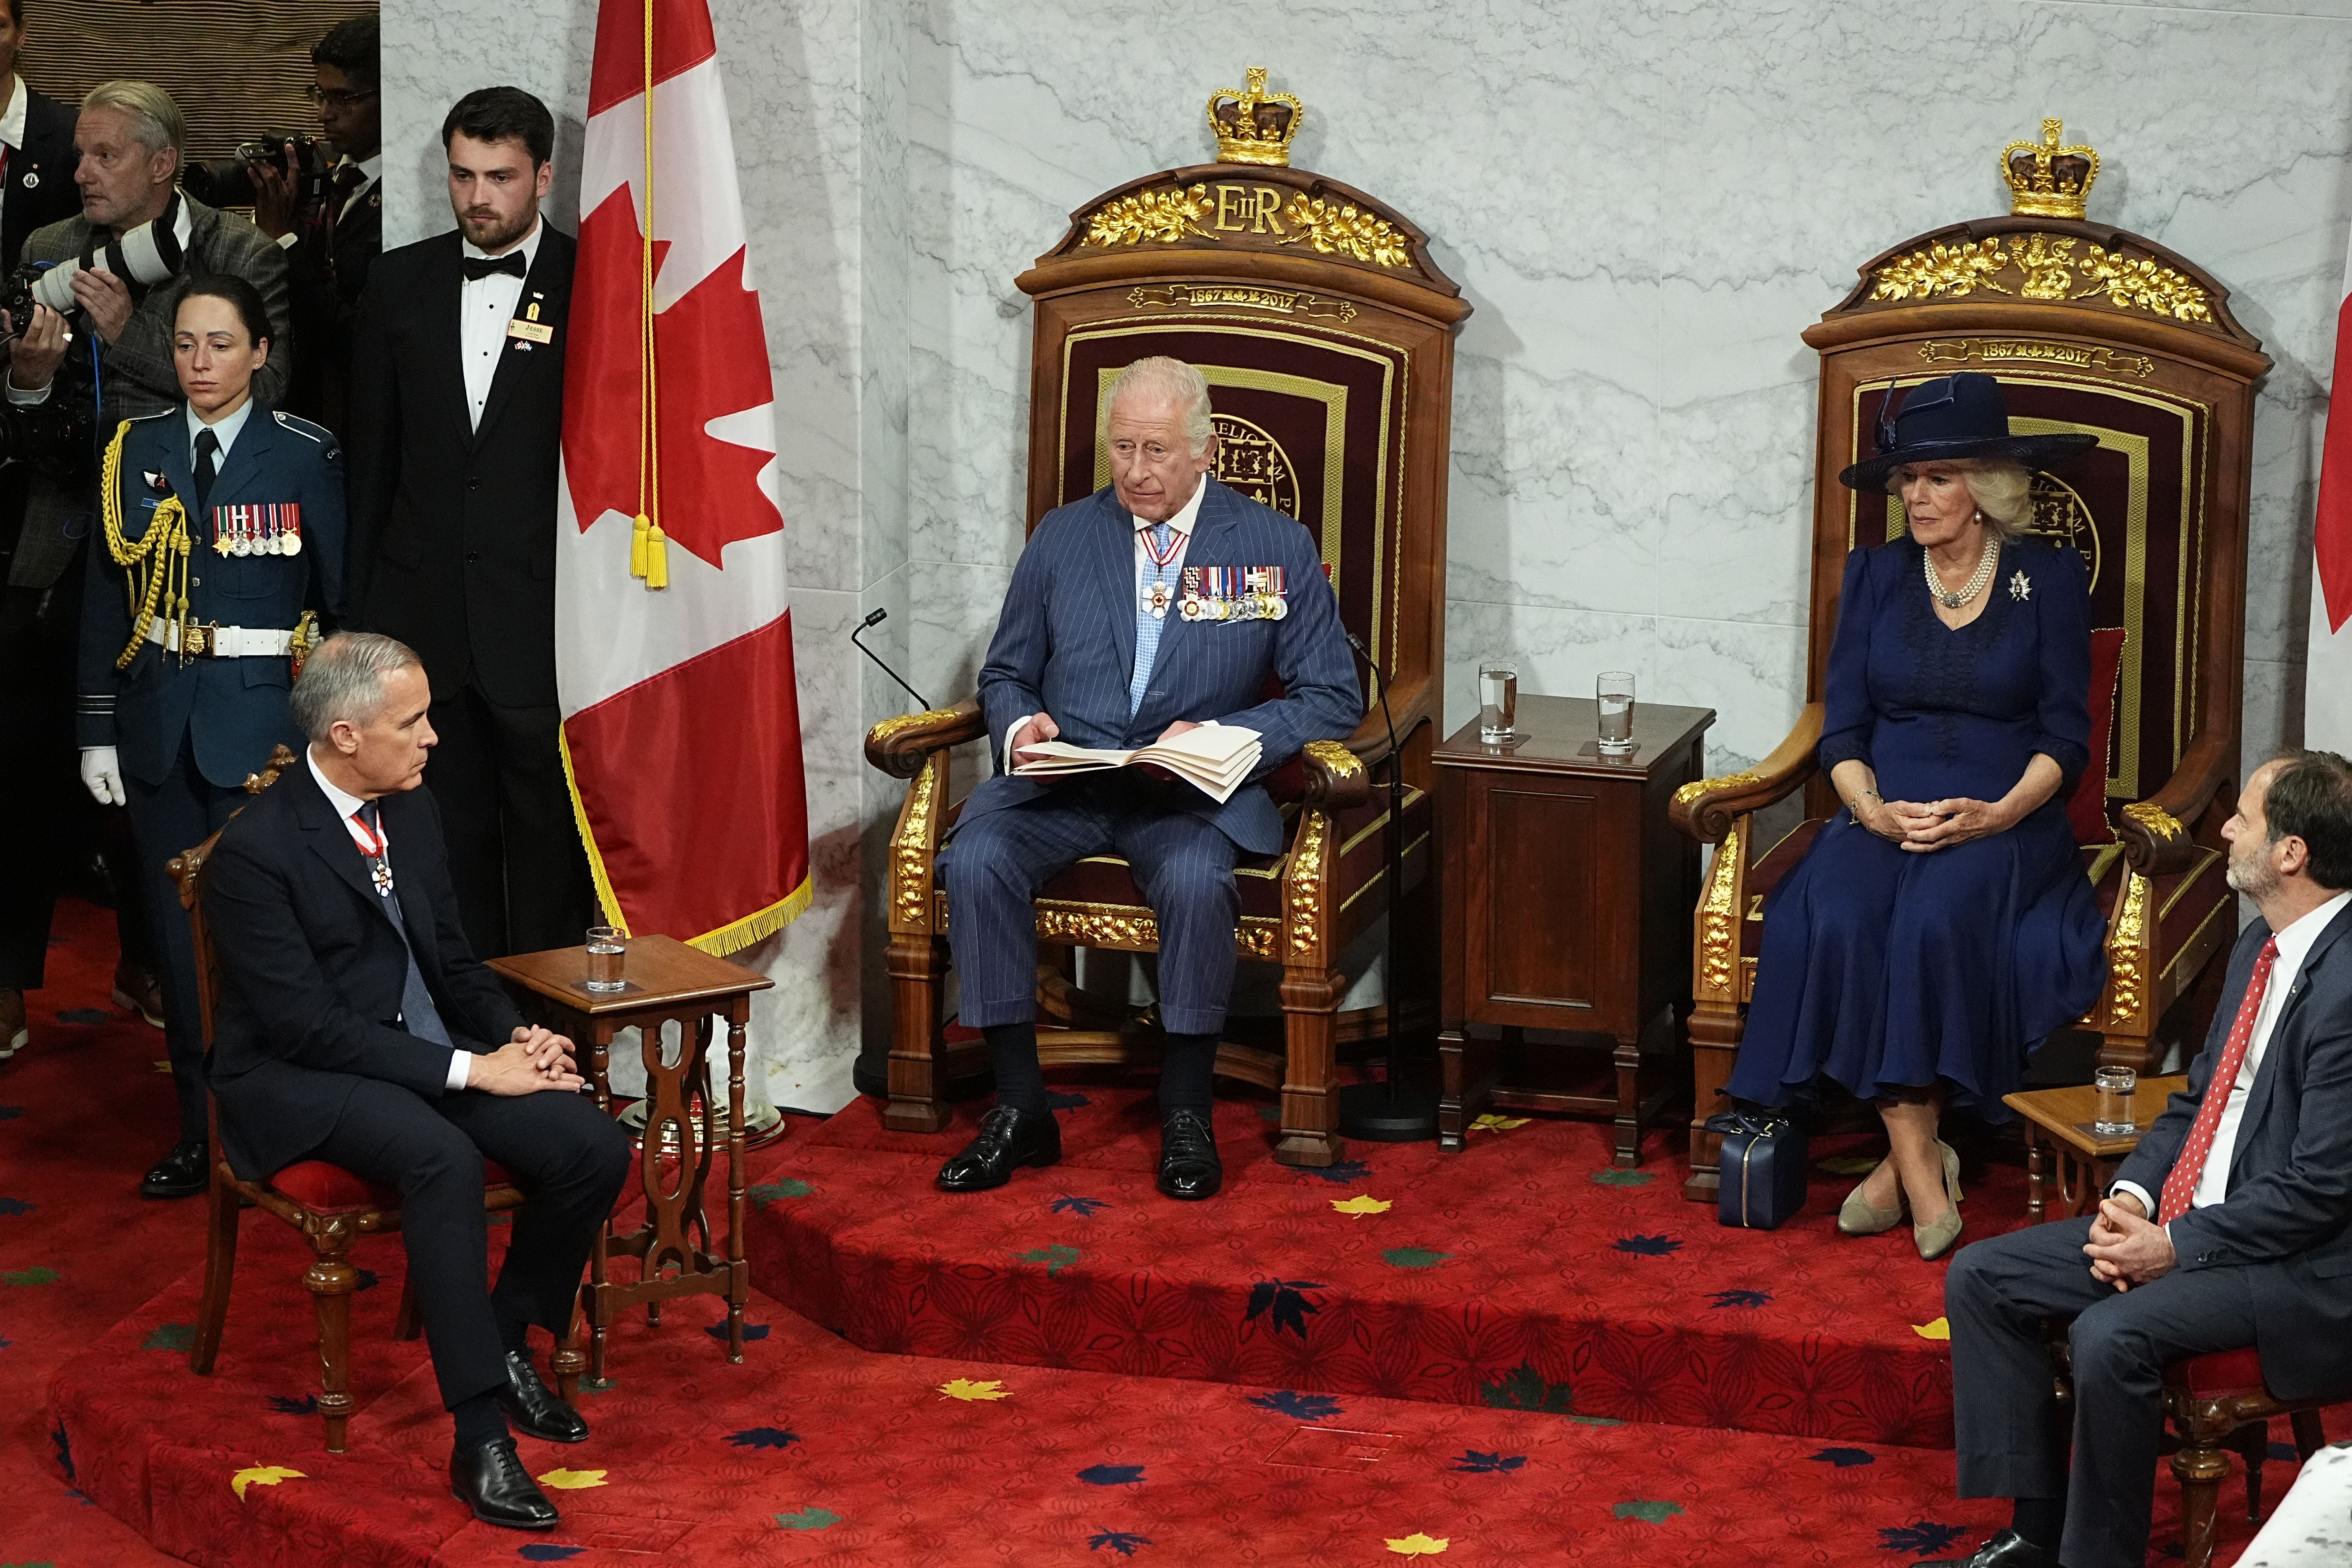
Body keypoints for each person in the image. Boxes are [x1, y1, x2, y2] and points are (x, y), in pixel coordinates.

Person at [203, 632, 630, 1532]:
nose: (434, 736)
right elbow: (305, 1027)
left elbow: (450, 960)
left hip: (421, 1053)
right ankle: (480, 1437)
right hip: (297, 1078)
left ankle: (507, 1338)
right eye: (415, 720)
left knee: (593, 1142)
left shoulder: (412, 809)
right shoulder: (256, 855)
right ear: (347, 734)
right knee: (438, 1154)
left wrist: (517, 1035)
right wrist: (478, 1069)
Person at [934, 356, 1358, 1202]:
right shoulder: (1063, 534)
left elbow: (1332, 695)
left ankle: (1186, 1112)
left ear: (1206, 450)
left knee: (1200, 880)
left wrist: (1231, 731)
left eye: (1157, 450)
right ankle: (1021, 1110)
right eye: (1122, 448)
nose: (1135, 471)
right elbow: (1007, 673)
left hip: (1185, 794)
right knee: (976, 857)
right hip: (1069, 783)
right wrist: (1022, 724)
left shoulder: (1271, 544)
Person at [1926, 751, 2352, 1568]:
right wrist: (2133, 1194)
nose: (2225, 828)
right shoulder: (2261, 945)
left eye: (2247, 819)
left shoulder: (2346, 987)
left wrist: (2177, 1246)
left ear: (2292, 852)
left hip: (2296, 1266)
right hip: (2194, 1218)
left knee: (2110, 1334)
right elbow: (2196, 1100)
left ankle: (2098, 1556)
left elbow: (2322, 1189)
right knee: (1985, 1276)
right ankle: (2034, 1533)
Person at [1725, 371, 2108, 1261]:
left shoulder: (2045, 578)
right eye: (1906, 479)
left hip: (2005, 817)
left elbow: (2065, 732)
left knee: (1938, 915)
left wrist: (1996, 813)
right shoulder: (1876, 574)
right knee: (1845, 909)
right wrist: (1874, 812)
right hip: (1882, 810)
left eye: (1936, 476)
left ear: (1986, 487)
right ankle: (1919, 1154)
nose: (1915, 496)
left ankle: (1910, 1172)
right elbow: (1842, 726)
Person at [72, 276, 343, 1198]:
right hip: (156, 727)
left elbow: (341, 610)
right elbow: (106, 599)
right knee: (177, 948)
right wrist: (96, 729)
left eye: (221, 344)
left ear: (260, 353)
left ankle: (279, 1128)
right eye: (185, 344)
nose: (200, 364)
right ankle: (204, 1132)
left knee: (266, 940)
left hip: (264, 730)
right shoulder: (133, 451)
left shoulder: (305, 453)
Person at [346, 86, 591, 959]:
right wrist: (360, 625)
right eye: (462, 175)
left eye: (500, 177)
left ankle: (554, 1040)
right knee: (440, 846)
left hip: (543, 620)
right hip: (423, 624)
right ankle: (467, 1029)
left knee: (549, 847)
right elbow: (371, 463)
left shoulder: (593, 281)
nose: (478, 197)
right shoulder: (395, 281)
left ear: (544, 176)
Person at [0, 62, 189, 1057]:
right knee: (18, 765)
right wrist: (28, 384)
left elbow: (268, 389)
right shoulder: (44, 250)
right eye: (79, 153)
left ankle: (151, 959)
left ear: (161, 167)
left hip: (176, 561)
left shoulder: (234, 248)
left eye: (105, 155)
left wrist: (135, 336)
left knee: (156, 781)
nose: (80, 171)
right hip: (58, 547)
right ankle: (5, 978)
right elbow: (18, 426)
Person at [252, 10, 380, 432]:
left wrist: (283, 244)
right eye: (319, 95)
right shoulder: (321, 177)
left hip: (362, 418)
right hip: (300, 407)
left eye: (343, 99)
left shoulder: (412, 199)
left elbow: (357, 337)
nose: (325, 114)